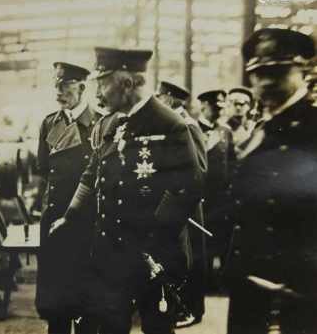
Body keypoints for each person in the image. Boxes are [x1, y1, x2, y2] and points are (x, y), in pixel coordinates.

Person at [51, 47, 203, 334]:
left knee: (156, 326)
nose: (98, 94)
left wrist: (150, 241)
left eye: (103, 83)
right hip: (112, 250)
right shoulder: (108, 123)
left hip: (155, 253)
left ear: (127, 82)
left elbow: (187, 189)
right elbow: (91, 173)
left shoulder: (170, 124)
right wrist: (70, 215)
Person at [226, 28, 317, 334]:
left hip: (298, 286)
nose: (265, 82)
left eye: (277, 72)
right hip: (252, 279)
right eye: (258, 73)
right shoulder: (261, 129)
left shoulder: (311, 128)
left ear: (302, 70)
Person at [35, 62, 100, 334]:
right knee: (57, 304)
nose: (58, 91)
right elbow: (42, 170)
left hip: (86, 221)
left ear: (82, 87)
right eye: (56, 85)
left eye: (65, 85)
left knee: (87, 301)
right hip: (54, 220)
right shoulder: (50, 122)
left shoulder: (100, 123)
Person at [156, 81, 208, 327]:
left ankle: (191, 310)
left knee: (191, 257)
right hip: (173, 200)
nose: (157, 99)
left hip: (187, 203)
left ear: (170, 99)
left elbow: (199, 168)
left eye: (160, 95)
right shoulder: (170, 124)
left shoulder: (187, 126)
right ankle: (179, 307)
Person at [197, 89, 236, 285]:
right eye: (214, 107)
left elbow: (231, 163)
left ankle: (215, 281)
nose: (219, 111)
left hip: (219, 198)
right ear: (203, 105)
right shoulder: (190, 128)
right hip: (198, 197)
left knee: (218, 238)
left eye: (221, 107)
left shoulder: (225, 132)